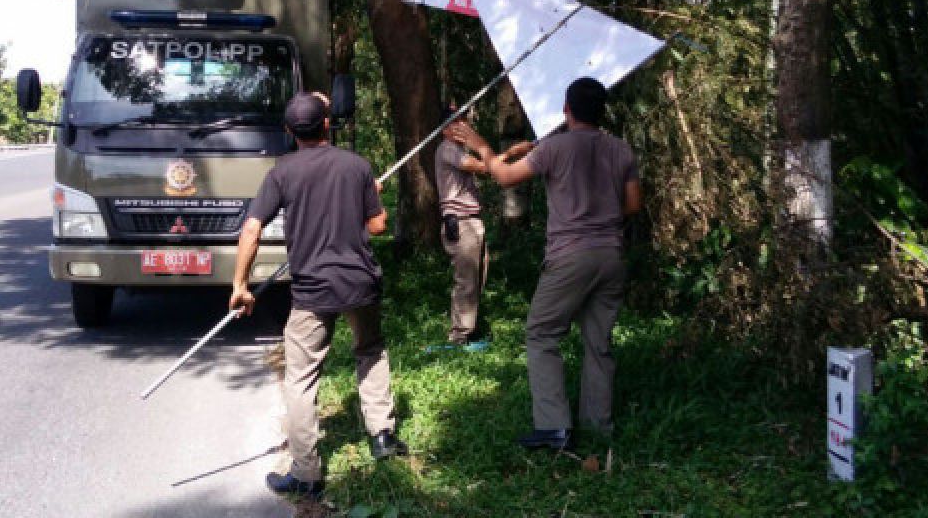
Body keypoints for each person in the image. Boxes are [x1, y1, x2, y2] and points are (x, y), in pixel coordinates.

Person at [230, 92, 408, 500]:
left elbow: (253, 229)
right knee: (370, 351)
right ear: (327, 125)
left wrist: (240, 286)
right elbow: (377, 225)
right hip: (360, 283)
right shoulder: (357, 166)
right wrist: (370, 194)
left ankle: (307, 472)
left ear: (290, 132)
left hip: (312, 290)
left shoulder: (282, 172)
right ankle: (382, 436)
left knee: (301, 375)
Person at [452, 77, 642, 451]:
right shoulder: (620, 149)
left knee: (541, 334)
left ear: (566, 109)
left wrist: (482, 147)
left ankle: (555, 427)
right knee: (598, 342)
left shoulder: (556, 147)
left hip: (571, 255)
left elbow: (505, 177)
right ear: (601, 111)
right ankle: (597, 426)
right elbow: (633, 205)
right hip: (611, 255)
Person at [433, 104, 534, 348]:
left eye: (466, 122)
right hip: (460, 221)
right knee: (466, 279)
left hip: (471, 220)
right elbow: (482, 167)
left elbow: (485, 169)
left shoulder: (458, 150)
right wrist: (511, 154)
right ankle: (458, 336)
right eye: (459, 123)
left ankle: (469, 330)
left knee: (477, 276)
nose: (465, 127)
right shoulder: (448, 149)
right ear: (447, 129)